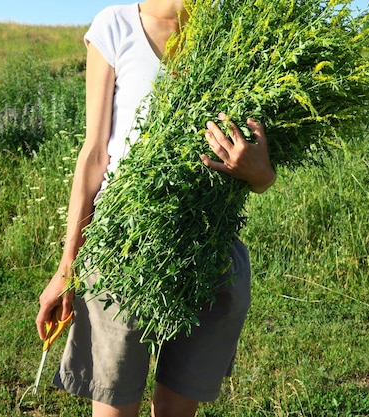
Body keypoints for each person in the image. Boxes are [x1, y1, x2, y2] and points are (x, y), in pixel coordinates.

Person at [35, 1, 277, 416]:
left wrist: (261, 173)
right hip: (123, 249)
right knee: (114, 406)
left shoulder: (235, 31)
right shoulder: (115, 26)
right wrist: (67, 267)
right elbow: (94, 155)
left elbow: (260, 171)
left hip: (210, 250)